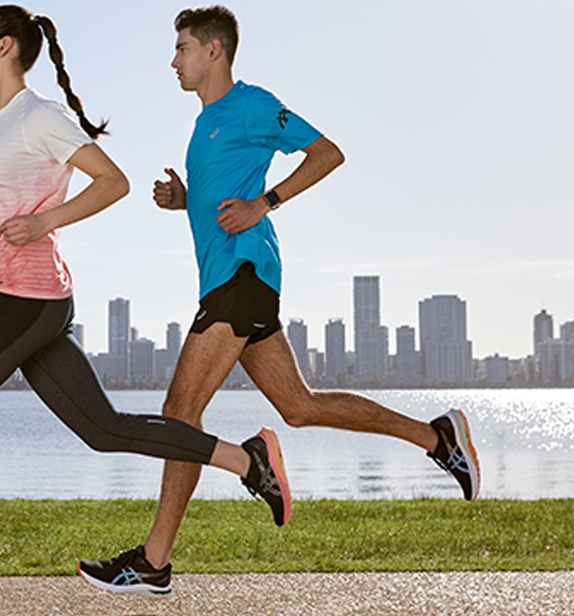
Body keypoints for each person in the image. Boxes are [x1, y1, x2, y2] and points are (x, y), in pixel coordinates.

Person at [0, 5, 292, 613]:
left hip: (29, 296)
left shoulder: (40, 115)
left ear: (5, 47)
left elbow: (112, 181)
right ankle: (247, 460)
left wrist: (45, 221)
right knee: (103, 430)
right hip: (19, 296)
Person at [75, 5, 481, 597]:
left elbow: (327, 153)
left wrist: (265, 203)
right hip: (231, 279)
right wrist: (185, 200)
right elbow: (222, 195)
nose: (174, 61)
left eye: (182, 48)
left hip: (243, 274)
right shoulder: (206, 122)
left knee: (179, 413)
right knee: (299, 406)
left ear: (213, 50)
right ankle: (437, 437)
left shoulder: (253, 105)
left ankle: (156, 560)